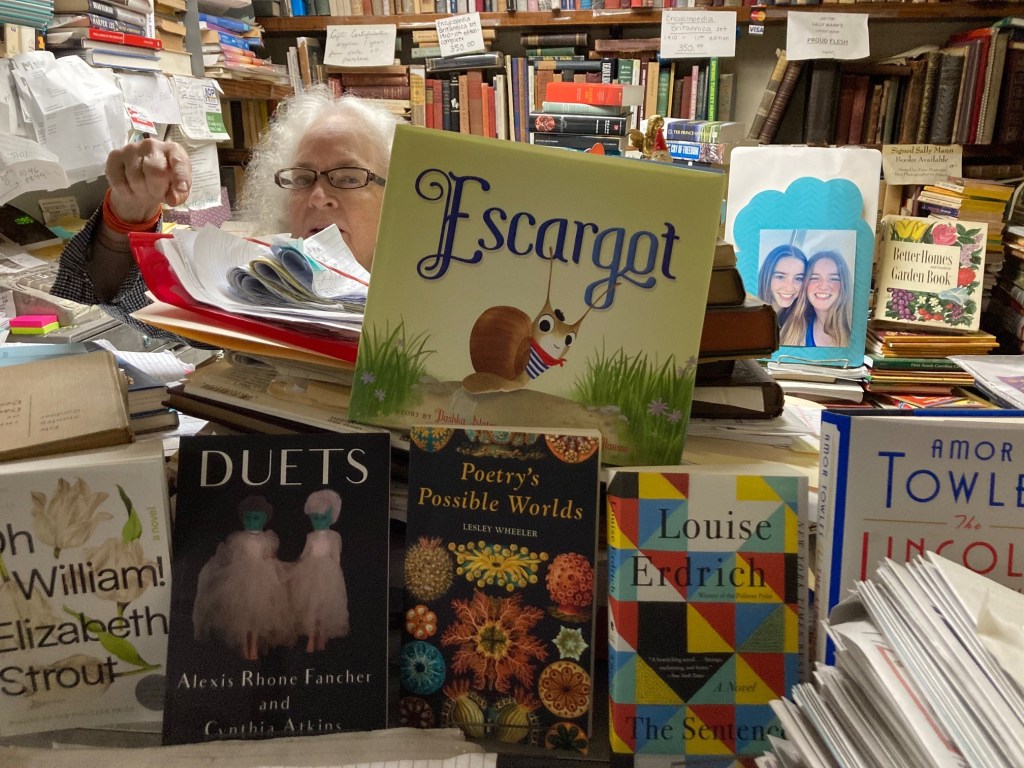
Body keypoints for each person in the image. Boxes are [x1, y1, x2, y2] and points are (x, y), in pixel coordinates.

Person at [50, 87, 400, 341]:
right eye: (302, 179)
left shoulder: (427, 299)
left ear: (398, 197)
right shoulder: (261, 286)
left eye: (349, 178)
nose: (319, 198)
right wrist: (129, 210)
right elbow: (136, 305)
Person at [192, 495, 295, 661]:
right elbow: (234, 557)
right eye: (248, 517)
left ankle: (253, 647)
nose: (251, 521)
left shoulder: (267, 538)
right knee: (243, 615)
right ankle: (245, 648)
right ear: (242, 518)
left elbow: (270, 557)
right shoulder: (238, 538)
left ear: (264, 519)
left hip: (262, 579)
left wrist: (279, 571)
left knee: (257, 615)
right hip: (241, 579)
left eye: (256, 518)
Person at [288, 489, 350, 653]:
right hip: (310, 572)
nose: (319, 521)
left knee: (324, 606)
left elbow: (336, 557)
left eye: (323, 518)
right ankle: (310, 638)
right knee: (311, 606)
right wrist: (297, 567)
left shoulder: (335, 536)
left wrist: (334, 575)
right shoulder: (311, 536)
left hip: (328, 573)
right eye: (315, 518)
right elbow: (305, 553)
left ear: (331, 518)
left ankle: (322, 637)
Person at [779, 250, 853, 349]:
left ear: (844, 285)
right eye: (814, 278)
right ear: (805, 285)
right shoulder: (794, 330)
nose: (823, 286)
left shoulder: (857, 332)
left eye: (834, 279)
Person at [757, 243, 807, 329]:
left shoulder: (806, 322)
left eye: (798, 278)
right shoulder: (746, 317)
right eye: (780, 277)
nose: (789, 288)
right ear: (767, 277)